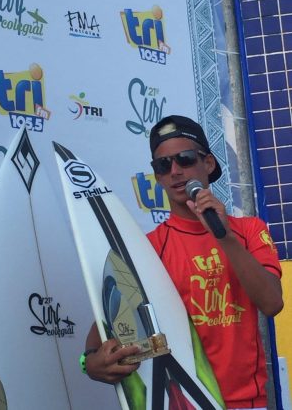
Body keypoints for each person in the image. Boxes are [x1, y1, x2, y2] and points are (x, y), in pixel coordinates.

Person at [83, 115, 283, 409]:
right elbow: (97, 338)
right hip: (183, 402)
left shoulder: (250, 230)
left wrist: (225, 237)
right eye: (163, 165)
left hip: (246, 402)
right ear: (158, 176)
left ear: (209, 164)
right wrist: (89, 364)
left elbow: (271, 303)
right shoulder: (146, 249)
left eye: (185, 159)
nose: (175, 171)